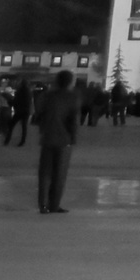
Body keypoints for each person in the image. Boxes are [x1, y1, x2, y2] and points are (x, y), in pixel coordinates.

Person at [35, 71, 81, 214]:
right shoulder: (72, 97)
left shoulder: (47, 95)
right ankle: (54, 204)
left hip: (47, 137)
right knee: (59, 174)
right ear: (70, 82)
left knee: (45, 173)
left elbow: (39, 115)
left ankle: (42, 205)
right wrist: (72, 137)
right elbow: (73, 121)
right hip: (63, 139)